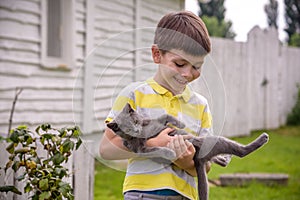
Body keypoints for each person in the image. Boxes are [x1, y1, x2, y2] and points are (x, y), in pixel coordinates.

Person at [100, 11, 216, 200]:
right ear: (157, 54)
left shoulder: (201, 106)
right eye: (179, 64)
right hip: (142, 194)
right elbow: (106, 148)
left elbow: (205, 166)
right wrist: (152, 144)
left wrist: (187, 162)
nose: (187, 73)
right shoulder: (134, 95)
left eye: (196, 66)